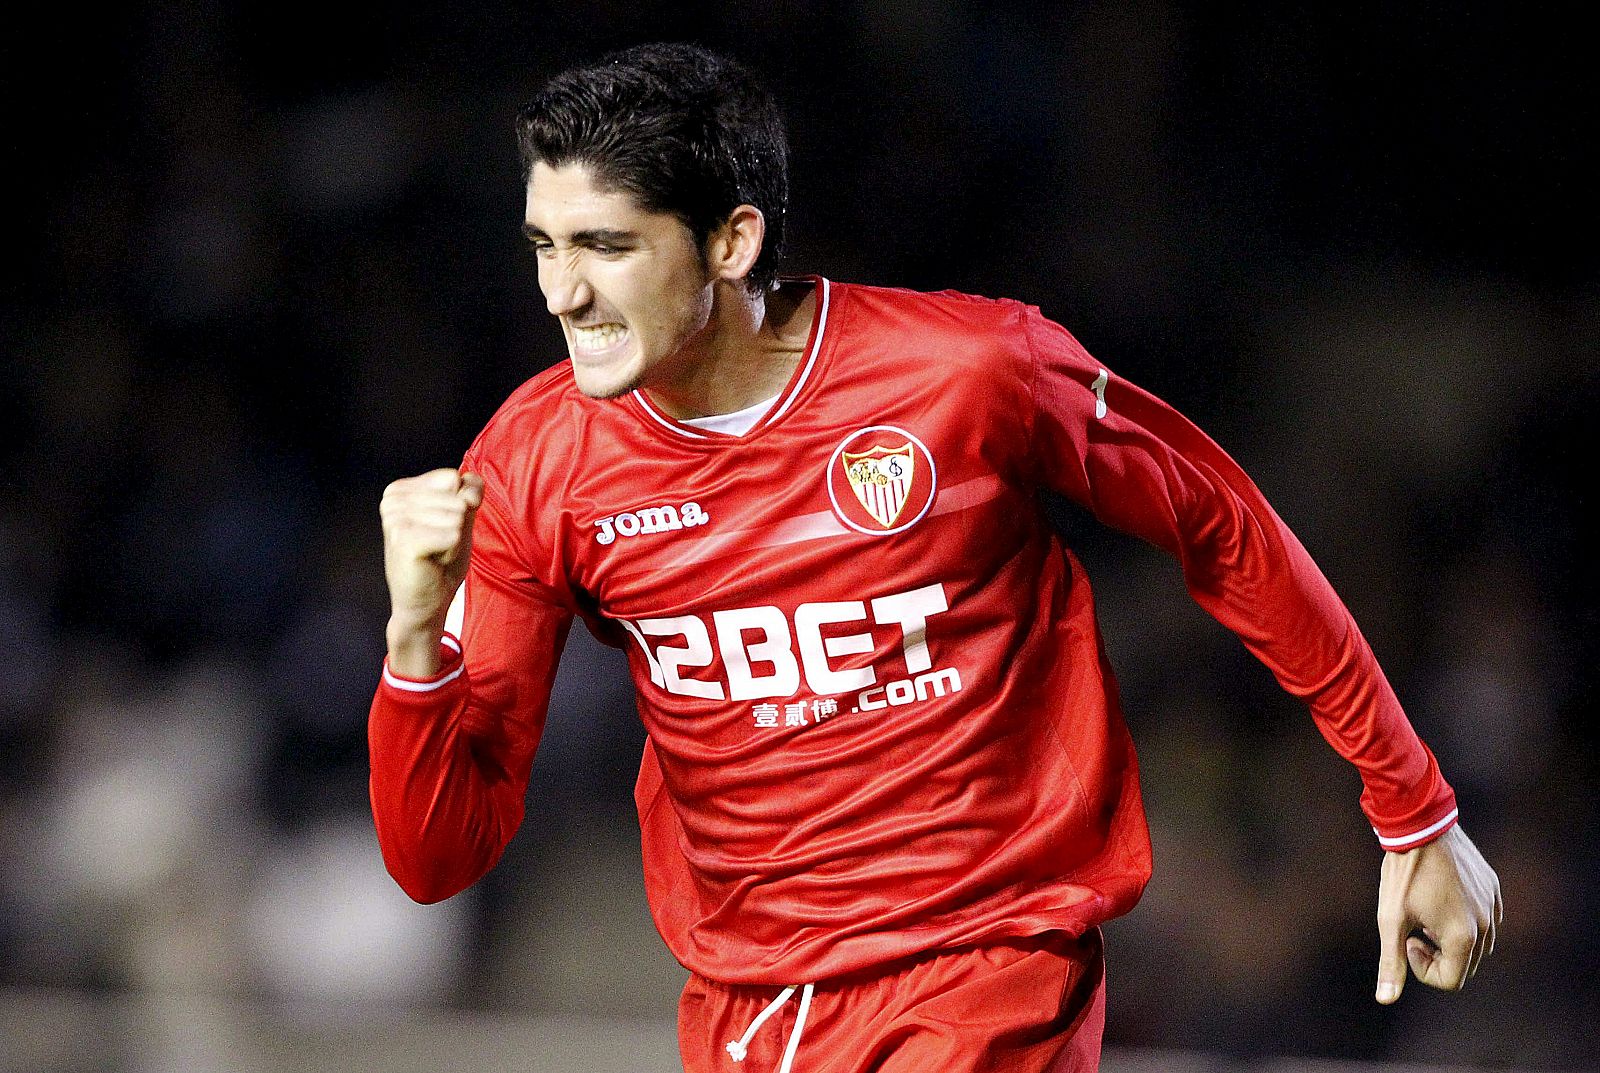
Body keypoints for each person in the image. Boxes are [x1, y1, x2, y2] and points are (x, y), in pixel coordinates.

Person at [368, 42, 1502, 1073]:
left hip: (986, 965)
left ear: (732, 239)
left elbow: (1221, 522)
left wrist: (1412, 806)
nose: (562, 293)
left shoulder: (969, 372)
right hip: (747, 1010)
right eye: (545, 246)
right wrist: (415, 643)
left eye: (606, 246)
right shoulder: (534, 459)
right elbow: (439, 856)